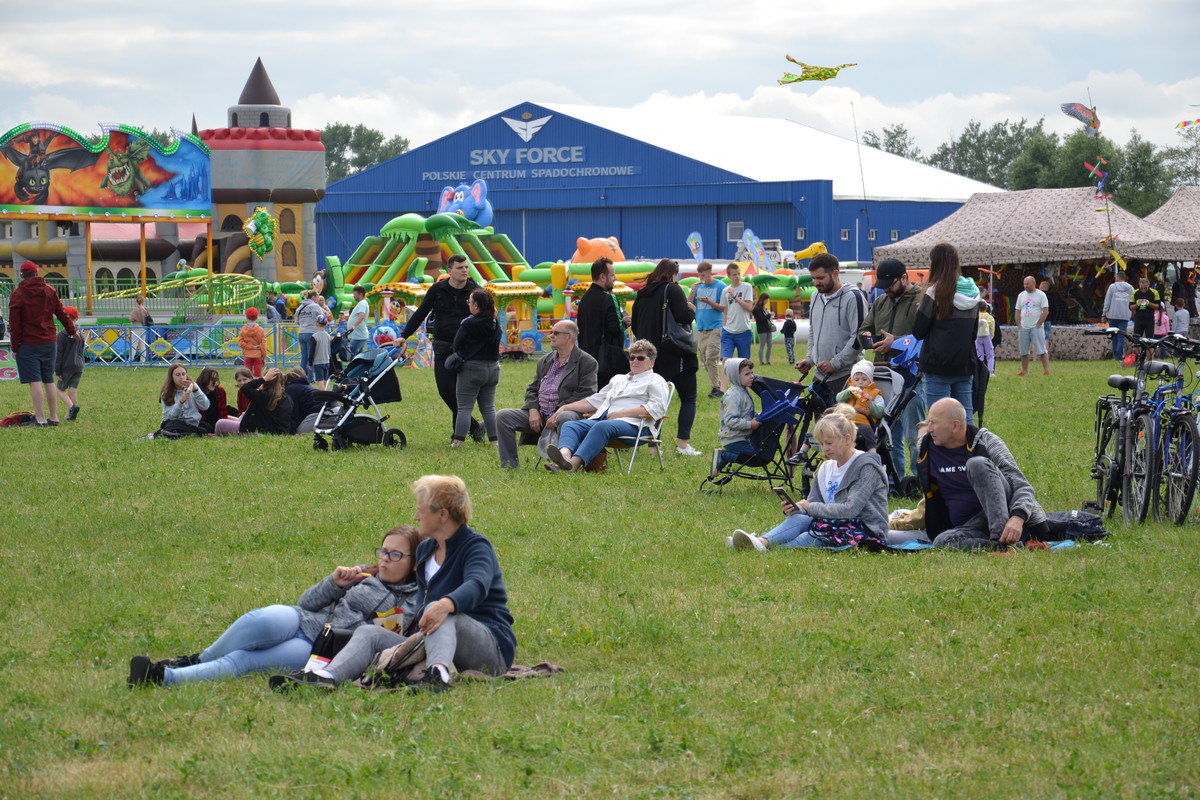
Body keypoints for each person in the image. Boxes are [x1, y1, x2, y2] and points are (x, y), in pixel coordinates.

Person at [272, 476, 515, 693]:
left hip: (490, 649)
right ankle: (325, 677)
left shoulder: (475, 547)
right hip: (432, 639)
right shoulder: (425, 550)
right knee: (368, 632)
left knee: (440, 612)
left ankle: (437, 676)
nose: (416, 516)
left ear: (442, 515)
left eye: (421, 510)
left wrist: (446, 604)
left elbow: (477, 584)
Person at [130, 526, 421, 688]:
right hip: (303, 619)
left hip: (318, 649)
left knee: (243, 661)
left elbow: (380, 644)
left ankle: (163, 677)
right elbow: (306, 602)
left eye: (395, 554)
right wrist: (334, 582)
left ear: (413, 562)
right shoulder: (362, 574)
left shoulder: (410, 602)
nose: (384, 558)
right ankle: (196, 659)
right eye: (383, 550)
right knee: (261, 620)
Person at [729, 412, 888, 550]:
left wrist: (809, 507)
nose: (824, 448)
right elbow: (814, 505)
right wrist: (796, 508)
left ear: (847, 439)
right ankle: (762, 542)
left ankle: (760, 546)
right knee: (799, 518)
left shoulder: (866, 466)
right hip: (832, 522)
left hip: (863, 528)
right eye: (822, 443)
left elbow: (851, 509)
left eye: (829, 443)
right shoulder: (826, 467)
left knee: (813, 535)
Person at [918, 398, 1050, 551]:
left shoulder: (987, 442)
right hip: (969, 528)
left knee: (977, 464)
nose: (929, 429)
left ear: (955, 426)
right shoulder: (925, 447)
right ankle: (1005, 548)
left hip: (1007, 519)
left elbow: (1022, 486)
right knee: (942, 541)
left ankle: (1003, 540)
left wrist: (1017, 518)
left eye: (934, 423)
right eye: (928, 423)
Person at [547, 339, 672, 472]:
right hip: (605, 422)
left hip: (637, 426)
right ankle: (564, 458)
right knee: (570, 425)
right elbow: (596, 400)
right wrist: (565, 407)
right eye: (632, 357)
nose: (635, 361)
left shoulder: (656, 380)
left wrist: (621, 414)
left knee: (602, 426)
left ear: (651, 362)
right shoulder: (618, 379)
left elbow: (657, 408)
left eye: (640, 358)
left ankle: (573, 465)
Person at [495, 319, 598, 469]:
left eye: (555, 333)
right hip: (540, 413)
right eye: (551, 332)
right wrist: (532, 410)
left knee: (565, 417)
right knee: (503, 416)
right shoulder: (545, 360)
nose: (551, 336)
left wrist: (558, 411)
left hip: (568, 414)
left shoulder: (587, 362)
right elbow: (532, 389)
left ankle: (563, 463)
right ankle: (509, 465)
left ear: (569, 336)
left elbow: (586, 393)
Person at [399, 255, 482, 439]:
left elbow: (486, 313)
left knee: (459, 393)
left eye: (466, 267)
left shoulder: (474, 289)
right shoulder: (438, 289)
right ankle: (474, 426)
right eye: (460, 267)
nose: (465, 270)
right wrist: (403, 336)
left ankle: (458, 434)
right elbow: (421, 313)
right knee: (446, 390)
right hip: (443, 346)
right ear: (449, 271)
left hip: (467, 349)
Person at [861, 257, 924, 479]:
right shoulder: (880, 302)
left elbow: (924, 337)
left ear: (904, 278)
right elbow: (864, 329)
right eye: (883, 285)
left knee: (914, 431)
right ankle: (895, 480)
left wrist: (894, 341)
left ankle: (919, 480)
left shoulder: (921, 299)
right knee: (888, 433)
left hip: (911, 374)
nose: (886, 289)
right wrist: (866, 336)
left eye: (890, 285)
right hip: (884, 374)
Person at [630, 258, 701, 456]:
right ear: (672, 274)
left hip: (650, 358)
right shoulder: (673, 289)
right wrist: (691, 310)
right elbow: (683, 317)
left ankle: (654, 446)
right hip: (675, 352)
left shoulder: (642, 294)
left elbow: (635, 326)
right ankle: (682, 445)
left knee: (656, 401)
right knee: (689, 398)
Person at [913, 243, 978, 421]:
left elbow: (918, 331)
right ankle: (970, 448)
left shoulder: (935, 292)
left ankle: (943, 450)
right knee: (965, 418)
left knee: (938, 420)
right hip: (964, 363)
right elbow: (974, 333)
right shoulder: (973, 293)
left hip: (937, 364)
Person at [9, 260, 77, 426]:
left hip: (28, 342)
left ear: (21, 275)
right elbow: (62, 313)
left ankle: (40, 419)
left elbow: (14, 324)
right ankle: (53, 417)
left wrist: (15, 345)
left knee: (34, 380)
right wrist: (72, 331)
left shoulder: (17, 294)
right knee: (48, 380)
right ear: (37, 273)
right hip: (48, 341)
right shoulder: (49, 291)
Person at [796, 253, 867, 408]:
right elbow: (813, 331)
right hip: (820, 378)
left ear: (835, 273)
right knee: (822, 429)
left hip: (846, 377)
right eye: (813, 278)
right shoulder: (816, 296)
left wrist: (835, 363)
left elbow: (859, 337)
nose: (815, 282)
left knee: (842, 429)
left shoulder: (853, 297)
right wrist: (810, 359)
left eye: (820, 278)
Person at [451, 288, 502, 447]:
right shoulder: (495, 322)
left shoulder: (468, 323)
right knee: (488, 408)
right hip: (493, 368)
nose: (469, 304)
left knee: (464, 408)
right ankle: (495, 441)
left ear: (477, 305)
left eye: (470, 302)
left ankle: (458, 441)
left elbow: (456, 345)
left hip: (472, 368)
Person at [576, 257, 630, 389]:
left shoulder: (584, 299)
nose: (615, 278)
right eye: (612, 275)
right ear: (602, 277)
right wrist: (625, 322)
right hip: (608, 361)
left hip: (587, 358)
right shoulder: (609, 298)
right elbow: (615, 327)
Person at [712, 358, 760, 477]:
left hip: (742, 436)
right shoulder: (733, 395)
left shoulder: (743, 391)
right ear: (735, 376)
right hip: (733, 438)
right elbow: (730, 420)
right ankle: (723, 456)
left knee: (757, 453)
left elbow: (745, 412)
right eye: (747, 374)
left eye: (752, 373)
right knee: (755, 457)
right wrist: (750, 424)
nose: (752, 376)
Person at [215, 367, 292, 435]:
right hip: (280, 431)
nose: (242, 382)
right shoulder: (288, 398)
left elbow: (245, 388)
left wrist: (263, 379)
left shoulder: (265, 395)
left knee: (220, 424)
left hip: (260, 432)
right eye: (239, 380)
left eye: (244, 379)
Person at [689, 261, 727, 398]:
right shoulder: (698, 287)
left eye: (703, 275)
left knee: (711, 356)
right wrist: (692, 292)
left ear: (710, 273)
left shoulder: (721, 286)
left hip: (716, 326)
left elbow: (724, 308)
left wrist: (708, 302)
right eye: (699, 276)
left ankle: (717, 388)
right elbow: (689, 305)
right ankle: (715, 385)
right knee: (705, 359)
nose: (701, 278)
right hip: (701, 327)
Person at [835, 359, 884, 451]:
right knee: (827, 424)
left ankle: (872, 452)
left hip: (864, 422)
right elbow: (838, 398)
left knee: (866, 431)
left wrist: (870, 403)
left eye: (864, 379)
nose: (860, 382)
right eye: (856, 380)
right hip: (846, 421)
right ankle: (804, 449)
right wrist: (849, 391)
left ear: (870, 380)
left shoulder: (875, 394)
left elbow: (880, 413)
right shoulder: (850, 391)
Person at [716, 263, 755, 375]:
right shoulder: (725, 291)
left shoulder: (747, 287)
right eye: (734, 275)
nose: (737, 277)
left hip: (744, 331)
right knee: (725, 360)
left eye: (738, 274)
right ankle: (722, 390)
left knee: (744, 364)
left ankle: (744, 388)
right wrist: (723, 327)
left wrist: (734, 296)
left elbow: (749, 307)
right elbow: (725, 311)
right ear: (729, 276)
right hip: (728, 330)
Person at [156, 363, 210, 437]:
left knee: (207, 427)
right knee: (174, 425)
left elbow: (205, 406)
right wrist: (181, 402)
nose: (181, 377)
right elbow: (172, 417)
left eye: (183, 374)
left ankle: (186, 433)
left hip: (191, 423)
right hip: (173, 422)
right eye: (177, 375)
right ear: (171, 377)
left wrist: (196, 391)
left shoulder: (193, 386)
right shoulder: (167, 393)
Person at [1015, 275, 1050, 376]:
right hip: (1024, 327)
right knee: (1024, 351)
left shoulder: (1041, 295)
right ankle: (1024, 371)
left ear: (1034, 284)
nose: (1025, 286)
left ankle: (1046, 370)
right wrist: (1018, 324)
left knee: (1041, 349)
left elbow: (1045, 310)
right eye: (1024, 284)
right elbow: (1017, 310)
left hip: (1036, 327)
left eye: (1027, 284)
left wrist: (1039, 323)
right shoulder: (1021, 295)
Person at [54, 305, 85, 421]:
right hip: (79, 366)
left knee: (59, 390)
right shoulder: (81, 334)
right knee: (73, 389)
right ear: (76, 318)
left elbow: (59, 354)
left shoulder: (61, 335)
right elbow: (82, 349)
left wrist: (58, 370)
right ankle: (69, 415)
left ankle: (72, 407)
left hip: (67, 366)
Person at [1101, 270, 1134, 360]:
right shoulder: (1131, 288)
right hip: (1125, 315)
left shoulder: (1112, 287)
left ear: (1118, 277)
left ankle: (1116, 355)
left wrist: (1104, 314)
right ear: (1125, 278)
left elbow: (1107, 301)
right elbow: (1133, 301)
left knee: (1114, 336)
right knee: (1121, 336)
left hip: (1112, 315)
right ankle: (1119, 356)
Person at [294, 290, 325, 380]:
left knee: (304, 357)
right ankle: (310, 378)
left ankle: (300, 377)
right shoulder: (315, 306)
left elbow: (296, 321)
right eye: (318, 297)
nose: (319, 299)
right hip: (312, 333)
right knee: (311, 357)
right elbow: (322, 319)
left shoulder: (300, 307)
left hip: (301, 333)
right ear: (313, 297)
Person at [284, 367, 319, 434]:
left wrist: (291, 431)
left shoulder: (291, 389)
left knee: (299, 433)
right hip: (331, 409)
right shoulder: (307, 386)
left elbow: (294, 412)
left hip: (316, 412)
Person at [196, 367, 231, 433]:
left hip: (215, 422)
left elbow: (223, 413)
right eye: (211, 379)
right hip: (200, 422)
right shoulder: (196, 392)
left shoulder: (220, 391)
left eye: (216, 379)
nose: (214, 383)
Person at [1129, 275, 1163, 340]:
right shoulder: (1135, 292)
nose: (1143, 290)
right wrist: (1137, 304)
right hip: (1138, 319)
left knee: (1149, 342)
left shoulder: (1154, 292)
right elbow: (1130, 307)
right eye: (1141, 288)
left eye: (1145, 288)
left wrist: (1148, 303)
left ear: (1148, 285)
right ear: (1139, 285)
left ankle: (1149, 350)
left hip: (1149, 320)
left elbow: (1158, 307)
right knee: (1136, 341)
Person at [238, 307, 267, 377]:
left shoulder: (243, 330)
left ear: (246, 317)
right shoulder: (261, 330)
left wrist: (251, 347)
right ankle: (258, 387)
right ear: (256, 317)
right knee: (257, 375)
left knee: (247, 375)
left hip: (247, 355)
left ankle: (247, 387)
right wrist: (264, 356)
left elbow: (241, 343)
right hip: (258, 355)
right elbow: (263, 345)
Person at [346, 285, 371, 359]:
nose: (354, 296)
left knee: (351, 355)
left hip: (358, 336)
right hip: (359, 335)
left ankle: (352, 370)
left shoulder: (362, 304)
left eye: (355, 294)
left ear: (360, 294)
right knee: (359, 357)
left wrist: (354, 325)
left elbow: (361, 316)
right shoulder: (362, 303)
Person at [752, 292, 774, 366]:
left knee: (770, 344)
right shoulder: (757, 309)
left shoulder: (764, 308)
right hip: (762, 329)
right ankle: (761, 361)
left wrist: (769, 315)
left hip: (768, 328)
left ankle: (768, 360)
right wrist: (769, 315)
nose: (767, 301)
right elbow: (761, 319)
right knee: (762, 344)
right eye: (766, 299)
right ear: (763, 299)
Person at [130, 294, 151, 362]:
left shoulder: (135, 309)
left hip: (136, 327)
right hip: (143, 327)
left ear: (136, 301)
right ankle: (143, 360)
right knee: (142, 345)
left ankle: (130, 360)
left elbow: (132, 318)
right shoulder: (144, 309)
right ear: (143, 301)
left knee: (134, 344)